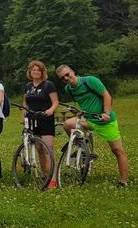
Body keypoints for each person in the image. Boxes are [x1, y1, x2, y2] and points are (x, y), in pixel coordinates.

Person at [56, 65, 129, 187]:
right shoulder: (68, 89)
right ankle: (82, 148)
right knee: (67, 124)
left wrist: (106, 113)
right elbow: (83, 103)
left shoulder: (90, 81)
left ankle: (123, 181)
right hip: (88, 120)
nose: (66, 78)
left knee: (117, 150)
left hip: (105, 121)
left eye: (67, 74)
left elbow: (107, 95)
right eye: (63, 78)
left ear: (73, 72)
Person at [22, 61, 59, 189]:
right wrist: (24, 117)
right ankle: (45, 174)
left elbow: (55, 102)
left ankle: (53, 178)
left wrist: (50, 110)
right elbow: (25, 104)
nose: (36, 72)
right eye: (33, 70)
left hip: (45, 119)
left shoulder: (48, 85)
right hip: (32, 119)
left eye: (38, 70)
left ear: (42, 72)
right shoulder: (28, 86)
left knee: (48, 149)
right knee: (40, 150)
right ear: (30, 72)